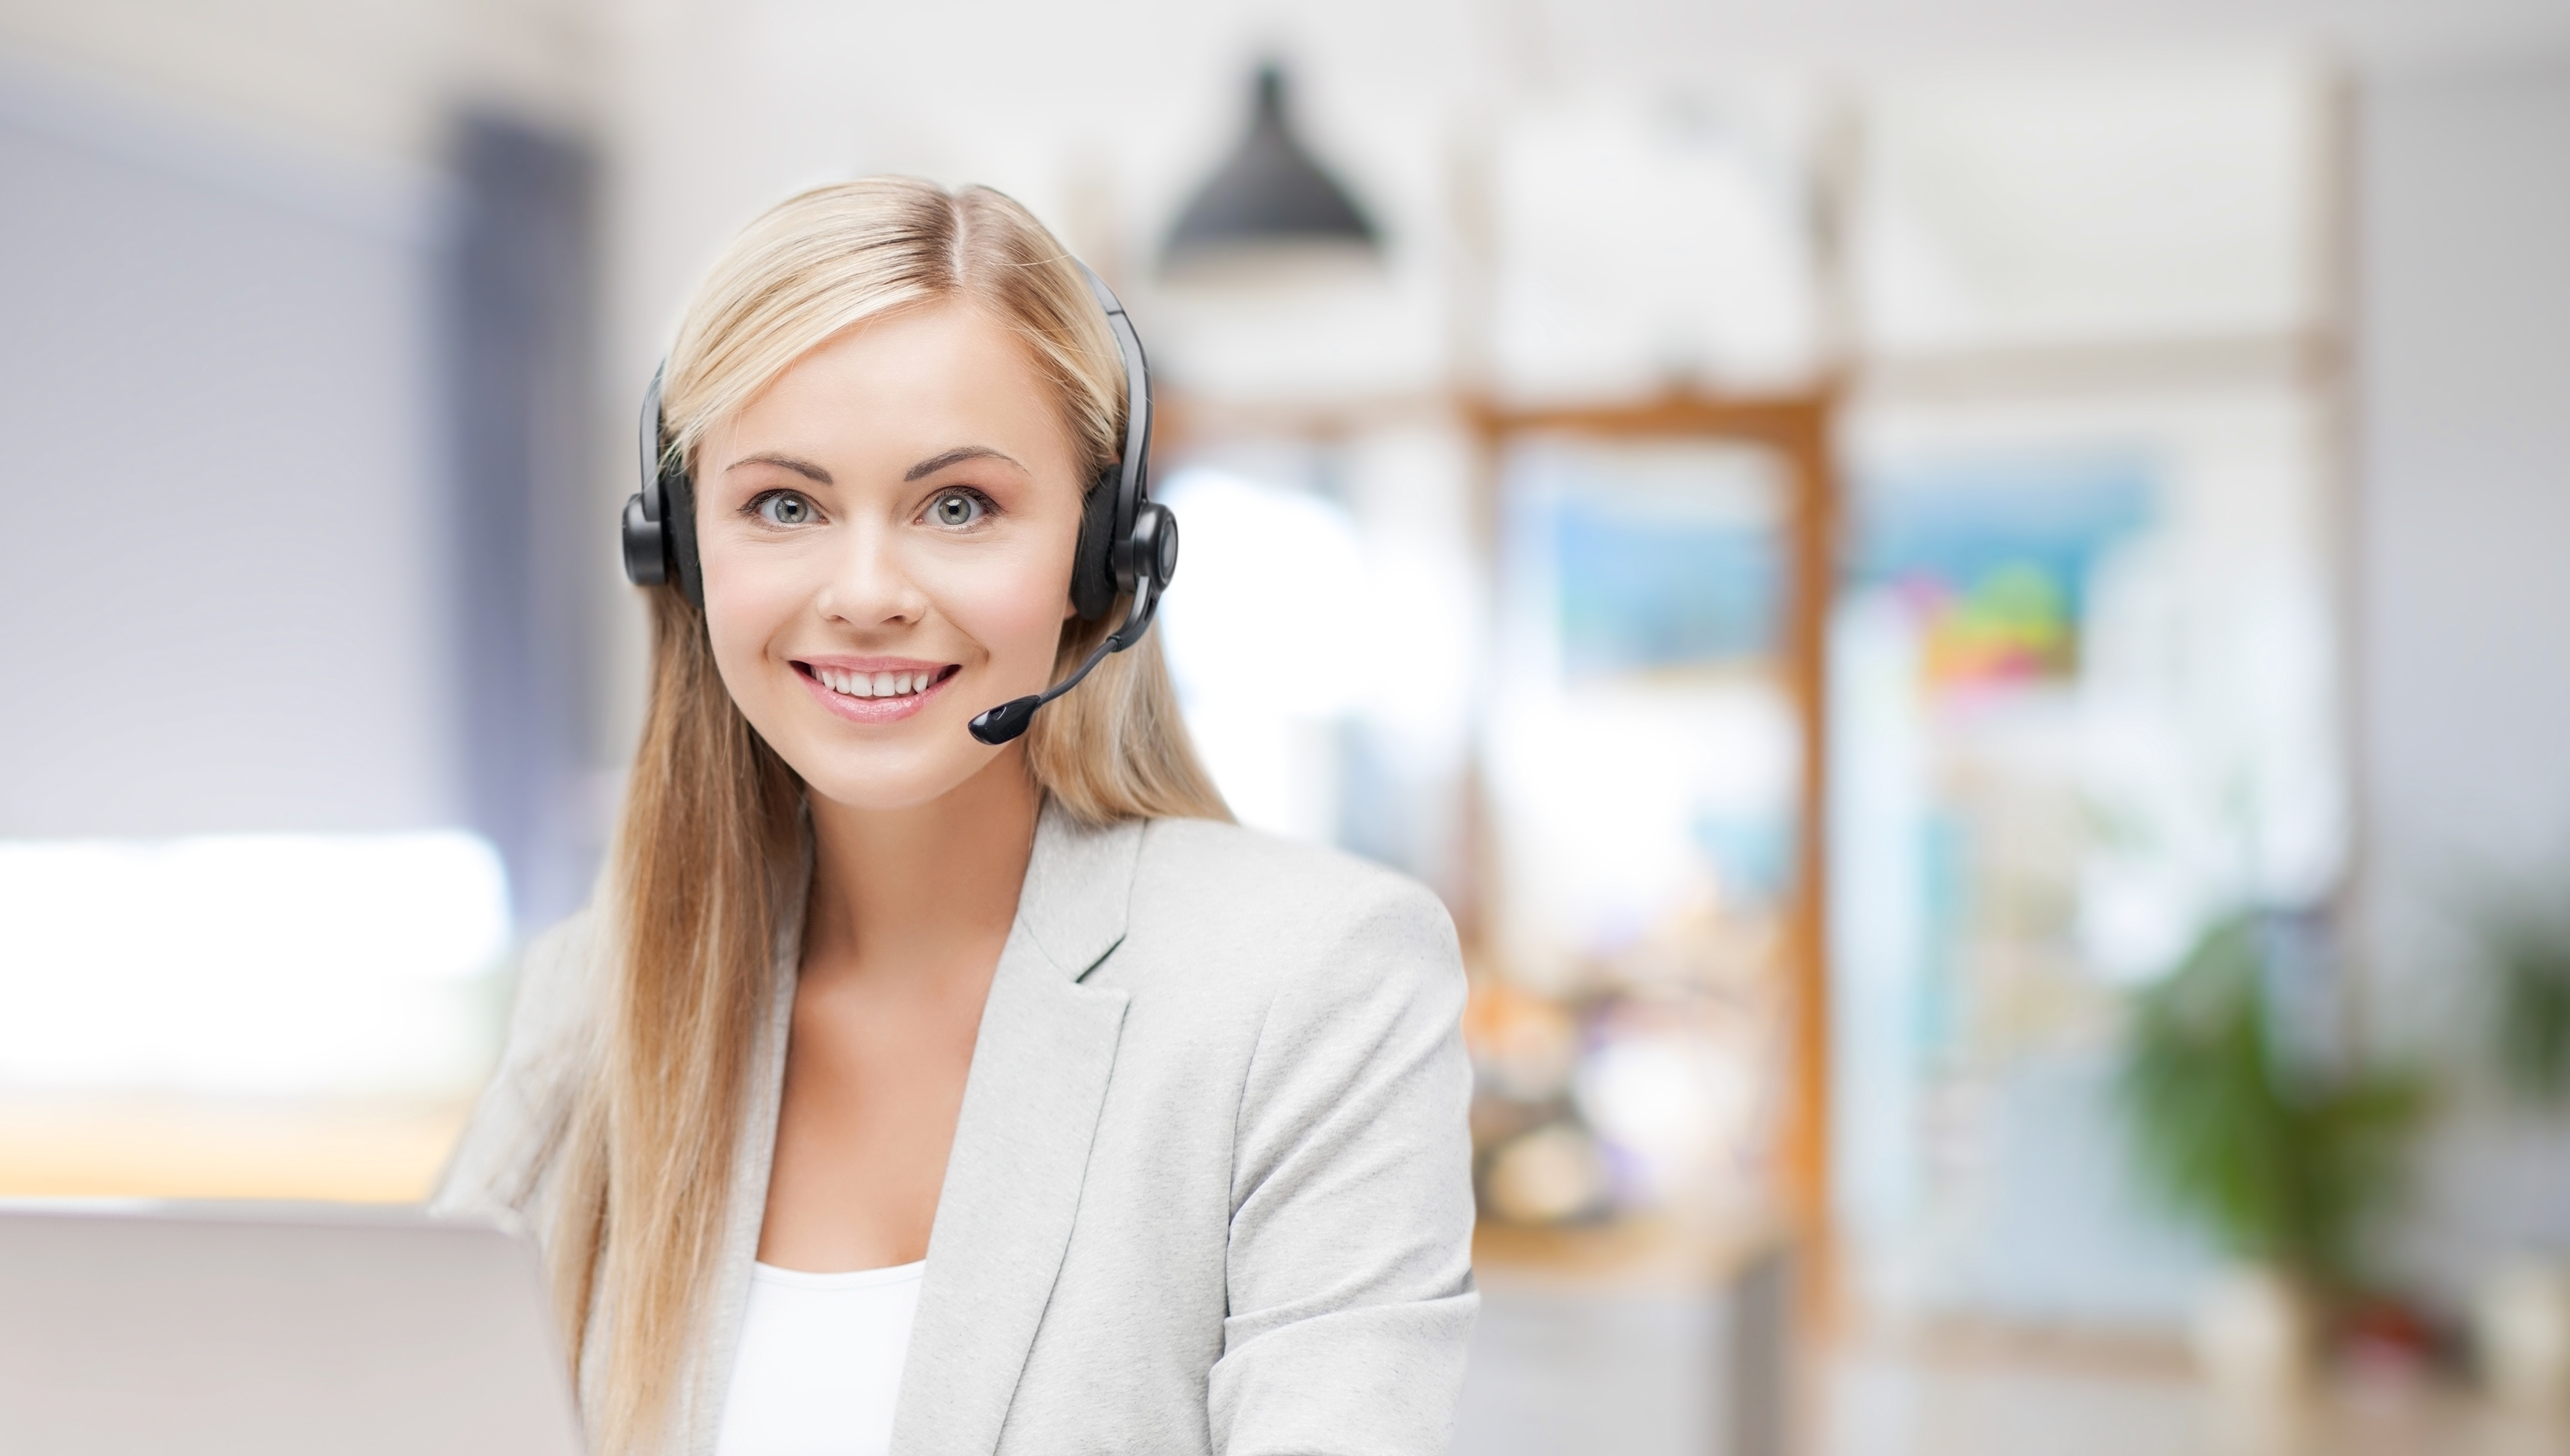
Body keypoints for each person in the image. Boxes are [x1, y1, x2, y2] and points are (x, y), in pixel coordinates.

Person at [433, 177, 1478, 1456]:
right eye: (784, 505)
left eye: (958, 506)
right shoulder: (597, 994)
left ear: (1106, 562)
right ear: (682, 554)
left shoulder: (1313, 982)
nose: (866, 591)